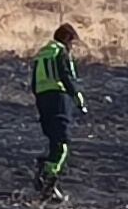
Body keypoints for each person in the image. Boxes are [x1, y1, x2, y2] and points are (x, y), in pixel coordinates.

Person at [29, 21, 87, 198]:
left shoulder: (41, 55)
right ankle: (49, 181)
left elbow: (33, 83)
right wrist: (78, 98)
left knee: (53, 139)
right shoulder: (60, 52)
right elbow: (66, 76)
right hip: (59, 99)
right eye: (72, 42)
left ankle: (44, 168)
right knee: (62, 144)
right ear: (67, 39)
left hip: (42, 99)